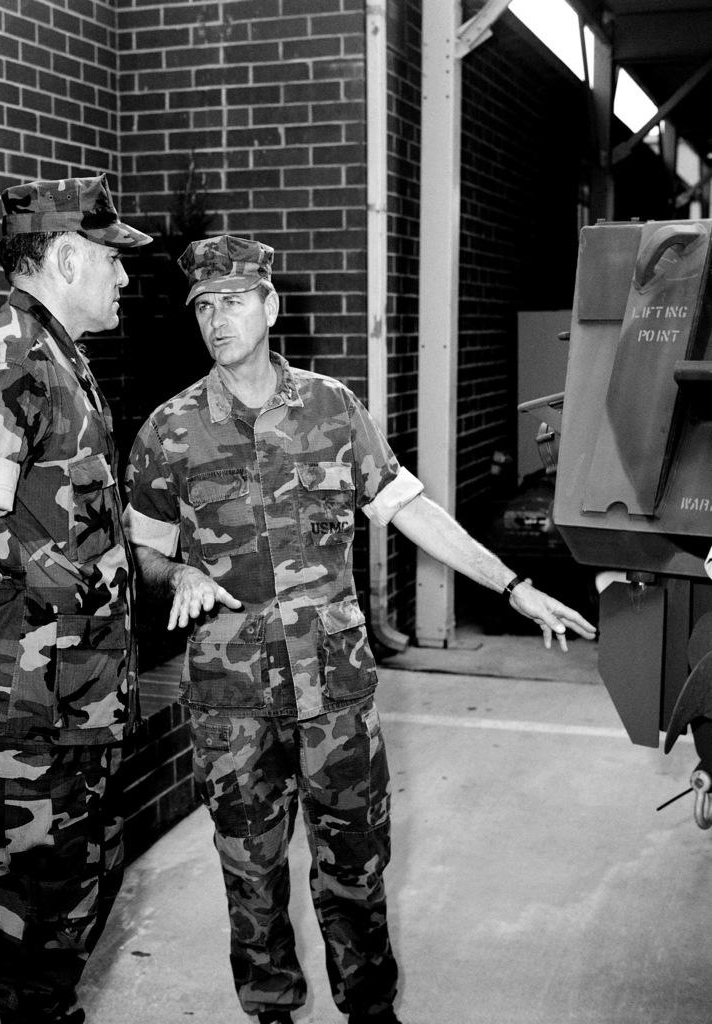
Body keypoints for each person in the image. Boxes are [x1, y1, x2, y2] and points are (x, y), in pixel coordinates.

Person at [123, 235, 597, 1024]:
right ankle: (271, 1008)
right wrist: (179, 575)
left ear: (270, 307)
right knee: (249, 867)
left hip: (332, 693)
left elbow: (411, 509)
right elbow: (145, 548)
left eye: (234, 301)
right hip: (231, 699)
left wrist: (512, 585)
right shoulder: (168, 430)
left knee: (354, 866)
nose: (217, 319)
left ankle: (369, 1010)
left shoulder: (331, 408)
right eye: (204, 306)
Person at [0, 174, 151, 1024]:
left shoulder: (59, 358)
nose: (124, 277)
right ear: (61, 257)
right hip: (33, 707)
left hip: (74, 698)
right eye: (110, 259)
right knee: (24, 905)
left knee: (74, 888)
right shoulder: (11, 360)